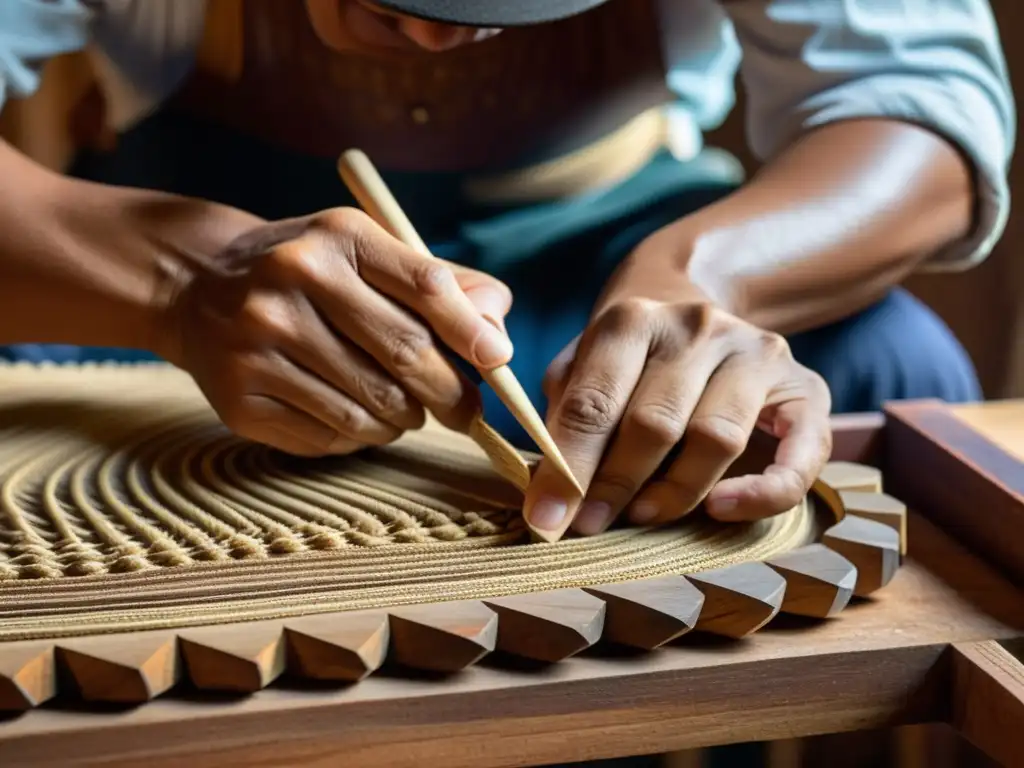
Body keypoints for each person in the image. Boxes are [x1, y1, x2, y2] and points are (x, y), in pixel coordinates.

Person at [0, 0, 1014, 542]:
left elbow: (917, 97)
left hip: (596, 242)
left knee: (884, 363)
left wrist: (703, 278)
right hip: (197, 249)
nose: (438, 33)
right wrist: (181, 282)